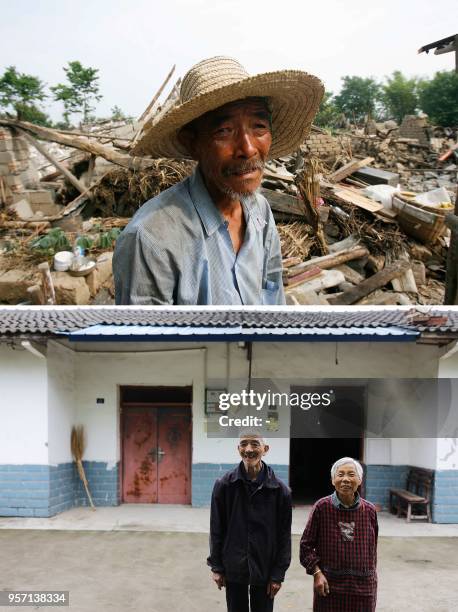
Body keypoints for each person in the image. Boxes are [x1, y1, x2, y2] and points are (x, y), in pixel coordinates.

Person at [113, 56, 323, 305]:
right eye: (224, 131)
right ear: (192, 144)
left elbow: (273, 302)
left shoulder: (260, 213)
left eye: (259, 126)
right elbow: (149, 343)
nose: (247, 148)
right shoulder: (151, 239)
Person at [207, 432, 292, 612]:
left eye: (254, 444)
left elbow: (284, 536)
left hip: (265, 566)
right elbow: (216, 528)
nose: (248, 449)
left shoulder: (280, 490)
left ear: (265, 449)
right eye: (244, 444)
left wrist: (278, 574)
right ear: (238, 449)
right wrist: (216, 566)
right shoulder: (224, 485)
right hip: (234, 564)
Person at [300, 457, 378, 611]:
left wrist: (370, 578)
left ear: (360, 479)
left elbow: (371, 551)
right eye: (340, 474)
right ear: (332, 480)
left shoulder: (369, 510)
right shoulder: (321, 507)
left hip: (362, 587)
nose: (346, 480)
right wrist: (317, 573)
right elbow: (305, 547)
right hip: (329, 585)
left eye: (351, 474)